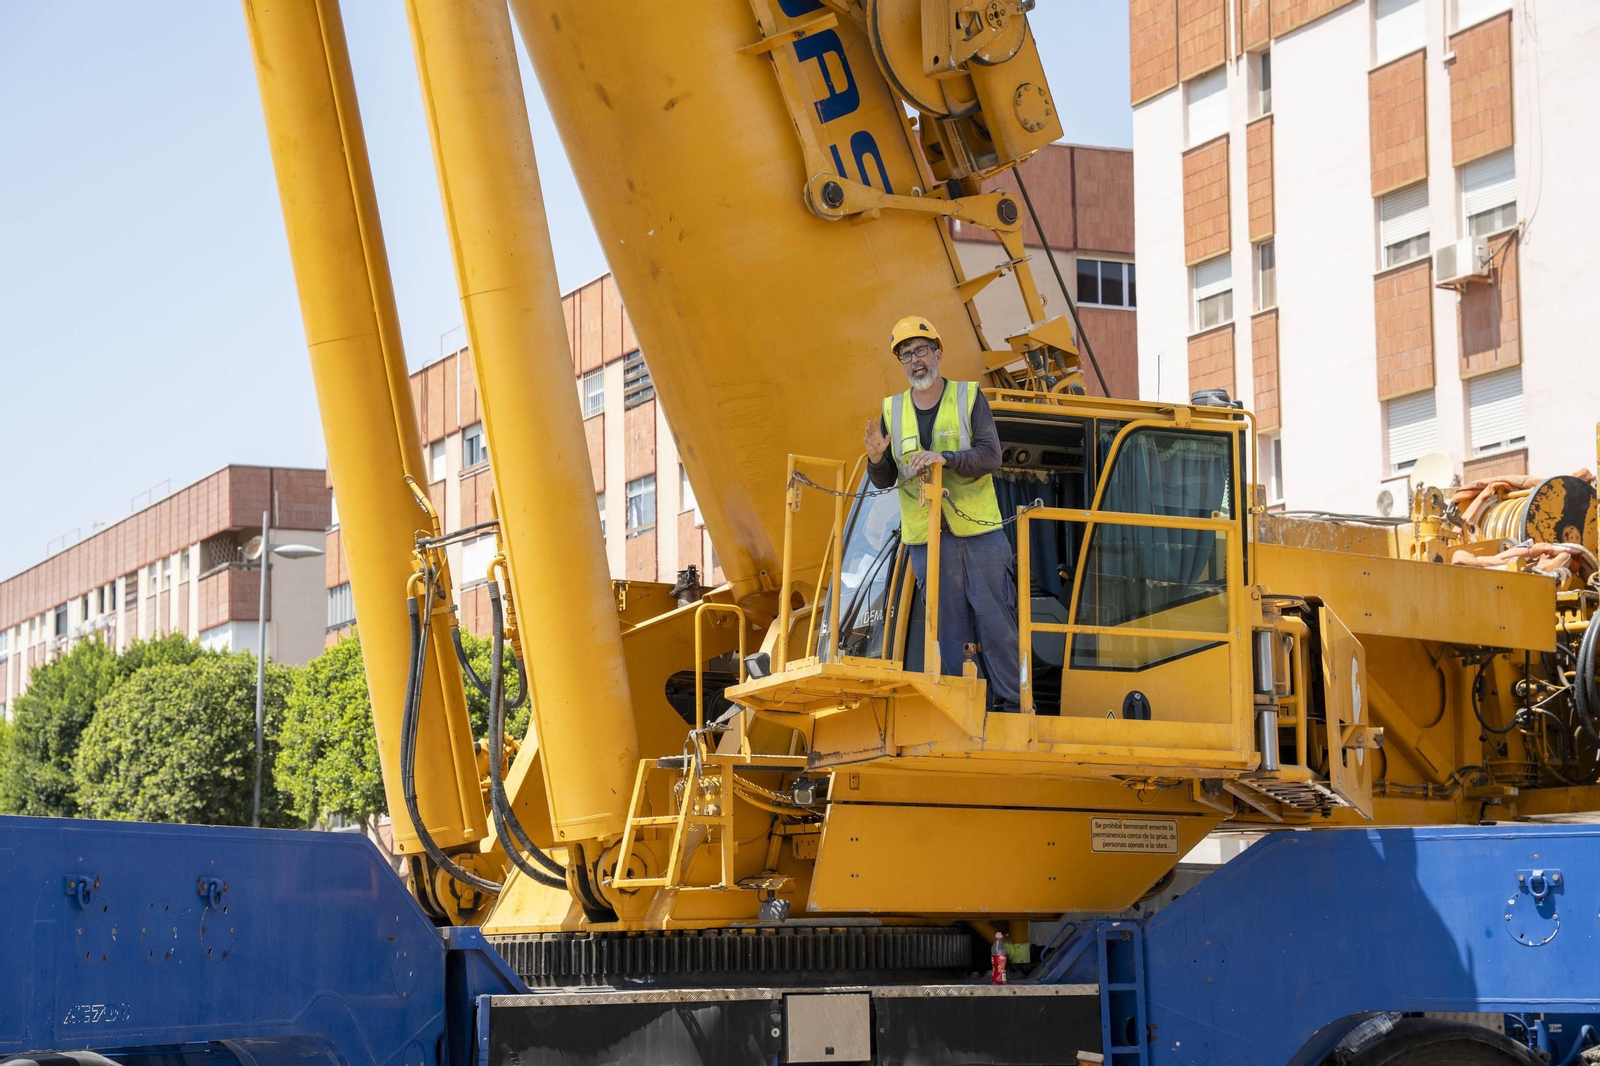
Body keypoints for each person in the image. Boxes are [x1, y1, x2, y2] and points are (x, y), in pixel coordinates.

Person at [864, 315, 1021, 712]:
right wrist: (876, 460)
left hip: (978, 533)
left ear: (938, 352)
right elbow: (885, 481)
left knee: (996, 622)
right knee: (948, 630)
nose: (914, 360)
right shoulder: (892, 409)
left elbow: (990, 455)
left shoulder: (969, 397)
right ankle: (968, 708)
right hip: (927, 539)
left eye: (920, 350)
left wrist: (945, 458)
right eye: (905, 355)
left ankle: (1013, 705)